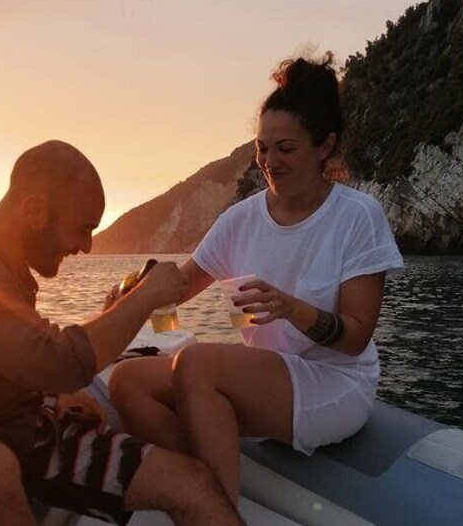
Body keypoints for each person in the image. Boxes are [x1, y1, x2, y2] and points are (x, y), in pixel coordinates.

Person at [0, 140, 242, 526]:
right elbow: (50, 361)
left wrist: (55, 393)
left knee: (193, 482)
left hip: (25, 423)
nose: (86, 246)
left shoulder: (7, 265)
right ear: (34, 210)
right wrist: (143, 298)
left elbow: (20, 357)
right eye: (82, 229)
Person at [108, 54, 405, 509]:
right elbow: (179, 288)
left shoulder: (356, 216)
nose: (270, 161)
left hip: (333, 381)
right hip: (261, 381)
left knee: (196, 363)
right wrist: (128, 301)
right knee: (127, 382)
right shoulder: (239, 220)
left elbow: (355, 338)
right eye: (262, 148)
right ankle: (201, 483)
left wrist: (294, 309)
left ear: (324, 146)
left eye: (285, 149)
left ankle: (213, 513)